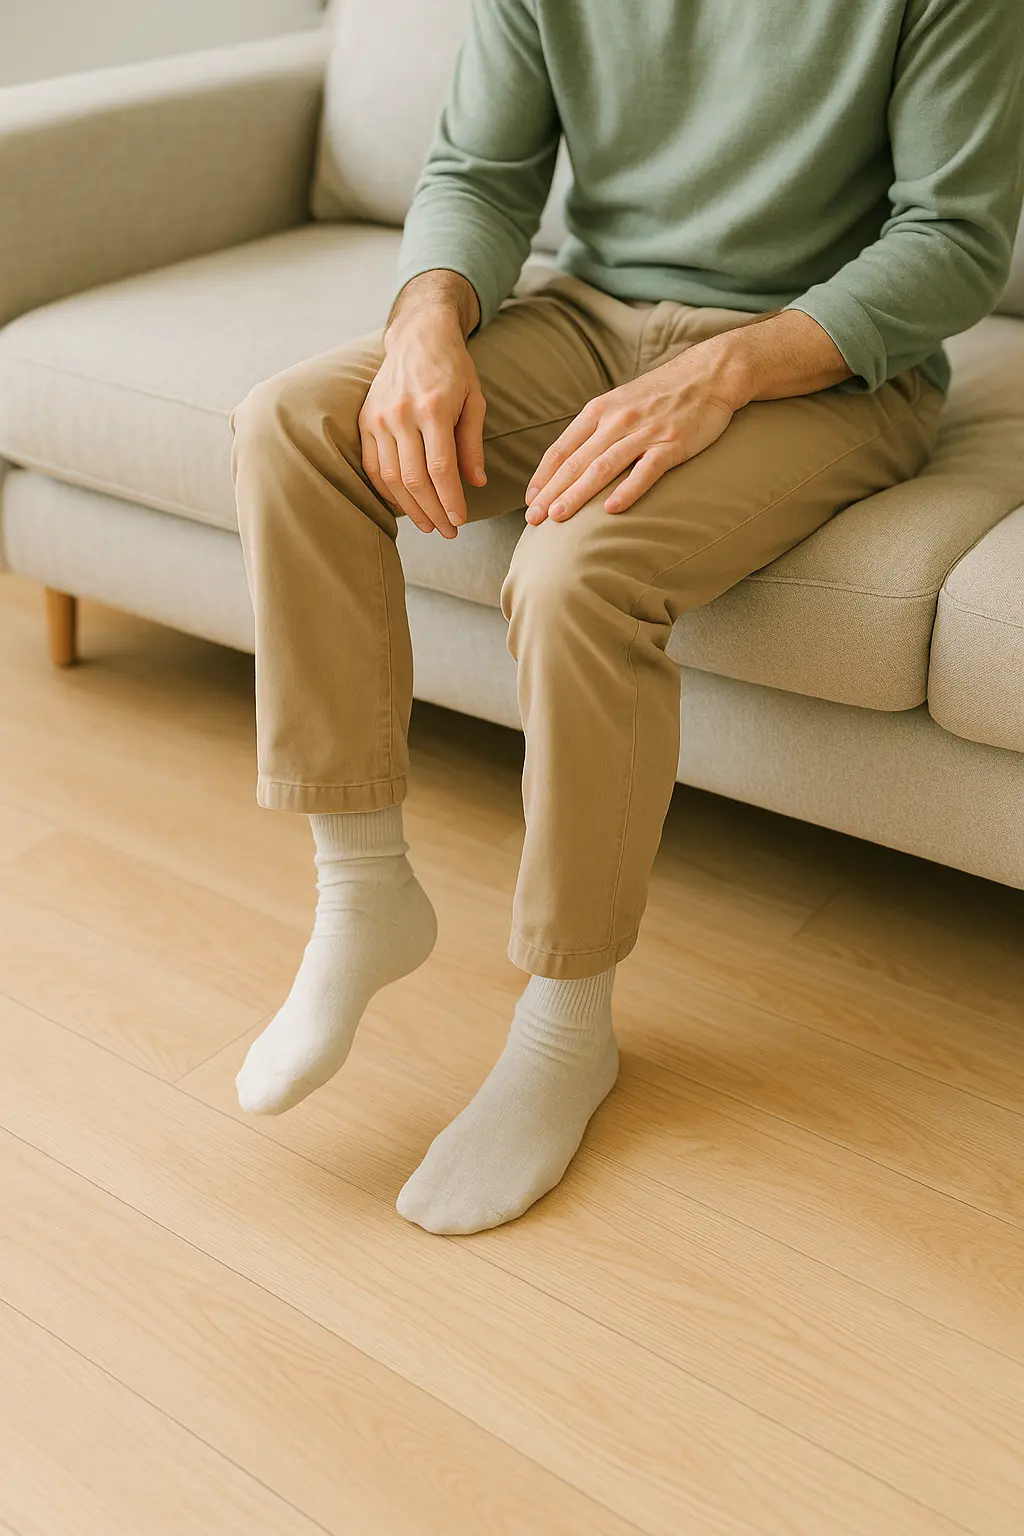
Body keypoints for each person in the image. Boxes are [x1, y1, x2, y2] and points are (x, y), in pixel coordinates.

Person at [229, 0, 1024, 1234]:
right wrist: (426, 319)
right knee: (291, 427)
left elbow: (954, 239)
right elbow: (479, 172)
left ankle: (567, 1025)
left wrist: (723, 371)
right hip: (588, 317)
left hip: (822, 368)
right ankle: (362, 890)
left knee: (573, 576)